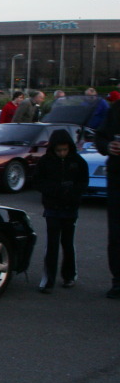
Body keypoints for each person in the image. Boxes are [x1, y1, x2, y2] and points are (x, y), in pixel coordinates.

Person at [35, 129, 88, 294]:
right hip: (52, 207)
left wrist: (72, 192)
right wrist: (55, 190)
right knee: (52, 245)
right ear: (53, 149)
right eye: (59, 150)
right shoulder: (45, 162)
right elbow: (37, 181)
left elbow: (83, 182)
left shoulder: (78, 161)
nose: (62, 153)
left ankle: (69, 276)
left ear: (69, 147)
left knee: (68, 243)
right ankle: (48, 280)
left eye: (65, 150)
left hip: (70, 208)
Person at [94, 98, 120, 298]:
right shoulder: (116, 109)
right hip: (117, 180)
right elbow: (100, 137)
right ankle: (118, 280)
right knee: (116, 234)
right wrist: (108, 146)